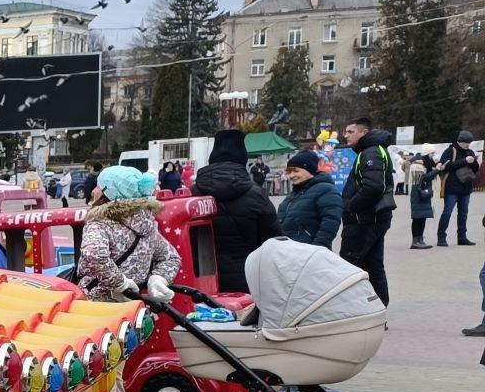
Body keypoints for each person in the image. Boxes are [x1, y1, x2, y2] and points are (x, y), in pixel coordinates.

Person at [191, 127, 283, 293]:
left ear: (212, 158)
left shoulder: (191, 194)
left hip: (201, 280)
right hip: (247, 280)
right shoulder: (257, 195)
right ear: (243, 159)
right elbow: (274, 241)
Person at [76, 165, 179, 304]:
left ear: (109, 192)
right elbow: (171, 257)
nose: (94, 190)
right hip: (132, 305)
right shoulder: (147, 225)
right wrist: (159, 278)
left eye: (98, 186)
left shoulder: (100, 223)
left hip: (97, 304)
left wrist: (119, 283)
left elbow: (93, 254)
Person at [338, 117, 396, 305]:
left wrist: (349, 206)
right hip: (373, 218)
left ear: (364, 132)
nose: (346, 135)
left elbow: (373, 187)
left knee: (349, 267)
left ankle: (353, 310)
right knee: (373, 265)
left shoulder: (371, 152)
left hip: (364, 220)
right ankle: (379, 309)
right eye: (345, 132)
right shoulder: (373, 149)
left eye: (350, 132)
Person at [279, 150, 342, 248]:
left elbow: (330, 222)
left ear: (309, 169)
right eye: (289, 172)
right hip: (288, 251)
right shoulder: (293, 194)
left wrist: (317, 248)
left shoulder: (326, 190)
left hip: (309, 252)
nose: (291, 175)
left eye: (296, 171)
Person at [437, 130, 477, 246]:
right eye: (466, 142)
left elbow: (474, 170)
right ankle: (441, 237)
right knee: (447, 212)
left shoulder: (470, 152)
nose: (468, 145)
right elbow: (445, 166)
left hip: (466, 187)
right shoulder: (450, 151)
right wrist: (464, 161)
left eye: (469, 143)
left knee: (463, 213)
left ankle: (462, 237)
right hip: (452, 188)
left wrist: (474, 163)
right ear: (460, 141)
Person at [406, 154, 437, 249]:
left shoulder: (422, 166)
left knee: (422, 217)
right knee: (417, 218)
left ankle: (420, 239)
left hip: (421, 194)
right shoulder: (416, 167)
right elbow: (424, 179)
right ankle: (415, 241)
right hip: (418, 195)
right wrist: (437, 170)